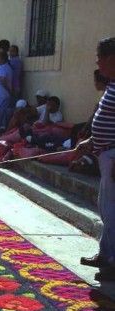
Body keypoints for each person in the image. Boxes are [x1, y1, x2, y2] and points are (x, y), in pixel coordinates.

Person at [78, 37, 115, 280]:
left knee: (113, 210)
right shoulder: (112, 85)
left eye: (100, 57)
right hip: (105, 153)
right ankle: (106, 253)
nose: (97, 62)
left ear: (112, 59)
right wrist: (91, 141)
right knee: (106, 208)